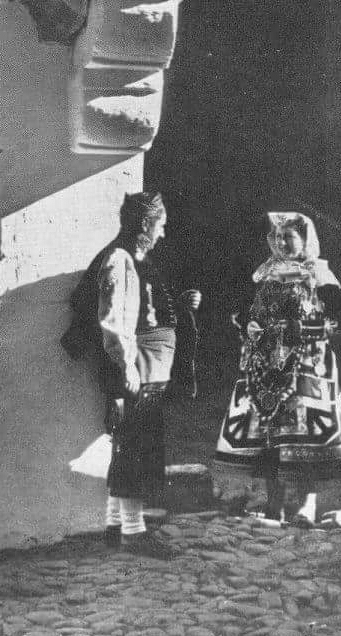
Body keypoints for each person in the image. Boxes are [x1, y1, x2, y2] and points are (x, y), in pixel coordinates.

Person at [63, 191, 201, 557]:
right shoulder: (120, 259)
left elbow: (142, 307)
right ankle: (134, 532)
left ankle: (115, 525)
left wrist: (178, 306)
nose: (163, 232)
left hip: (148, 366)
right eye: (160, 225)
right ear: (144, 224)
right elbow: (113, 320)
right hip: (136, 367)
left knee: (129, 443)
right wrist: (125, 367)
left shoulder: (136, 259)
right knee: (136, 446)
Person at [214, 211, 341, 525]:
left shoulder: (319, 274)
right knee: (269, 432)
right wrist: (248, 324)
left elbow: (338, 323)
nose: (282, 243)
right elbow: (244, 313)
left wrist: (302, 329)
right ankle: (275, 502)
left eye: (289, 237)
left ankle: (307, 505)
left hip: (306, 363)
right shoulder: (264, 273)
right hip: (265, 365)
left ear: (304, 239)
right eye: (278, 237)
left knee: (306, 435)